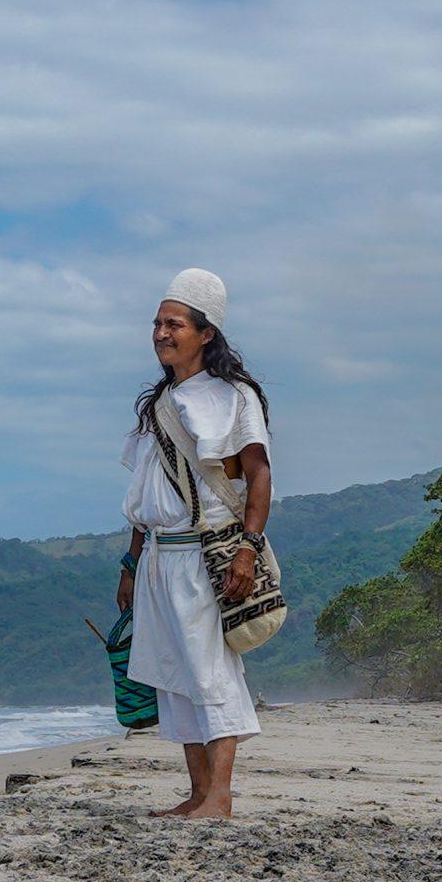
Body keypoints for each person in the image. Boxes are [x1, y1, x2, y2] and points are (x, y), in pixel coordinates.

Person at [116, 267, 273, 819]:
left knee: (210, 671)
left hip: (207, 554)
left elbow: (257, 475)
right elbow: (141, 489)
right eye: (157, 323)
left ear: (206, 333)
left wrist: (248, 549)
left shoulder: (235, 397)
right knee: (173, 674)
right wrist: (130, 563)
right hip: (159, 554)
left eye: (173, 323)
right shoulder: (156, 403)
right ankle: (197, 793)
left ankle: (221, 798)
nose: (161, 332)